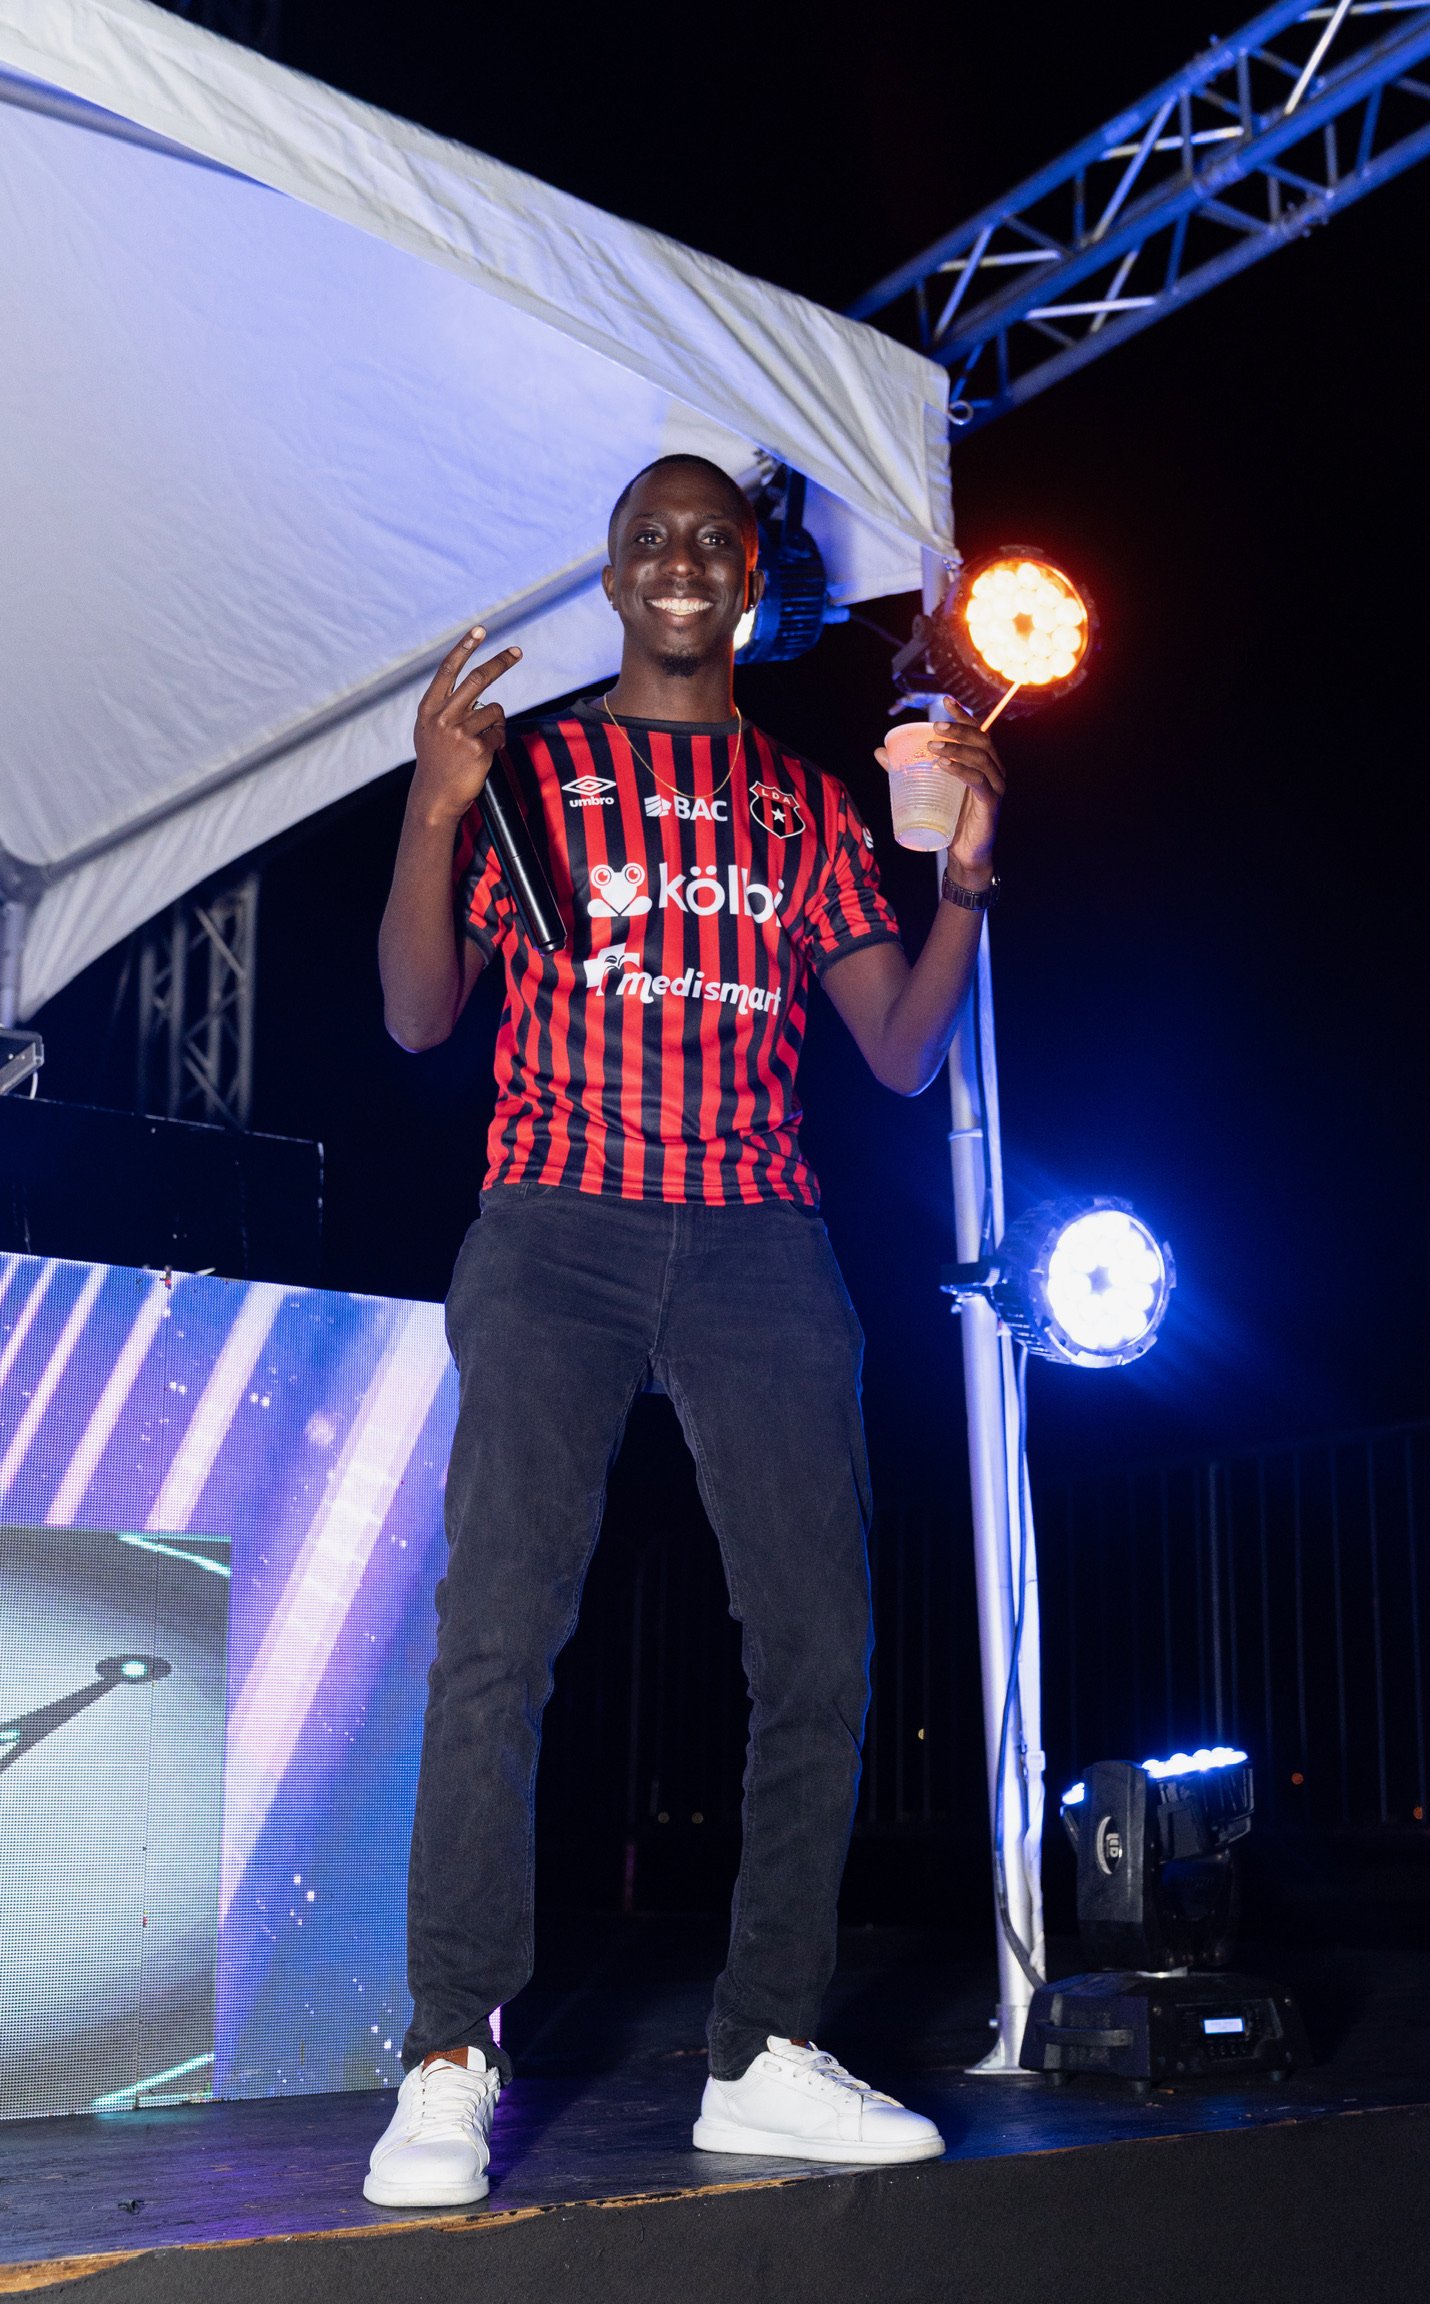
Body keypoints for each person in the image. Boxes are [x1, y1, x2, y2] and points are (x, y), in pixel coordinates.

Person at [365, 454, 1004, 2208]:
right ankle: (446, 2054)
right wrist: (432, 807)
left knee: (821, 1646)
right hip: (554, 1227)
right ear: (611, 573)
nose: (678, 560)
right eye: (647, 537)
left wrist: (964, 882)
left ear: (750, 578)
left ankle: (765, 2051)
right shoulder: (531, 774)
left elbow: (901, 1054)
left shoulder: (805, 807)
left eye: (711, 539)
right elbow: (418, 1017)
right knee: (498, 1638)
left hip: (756, 1241)